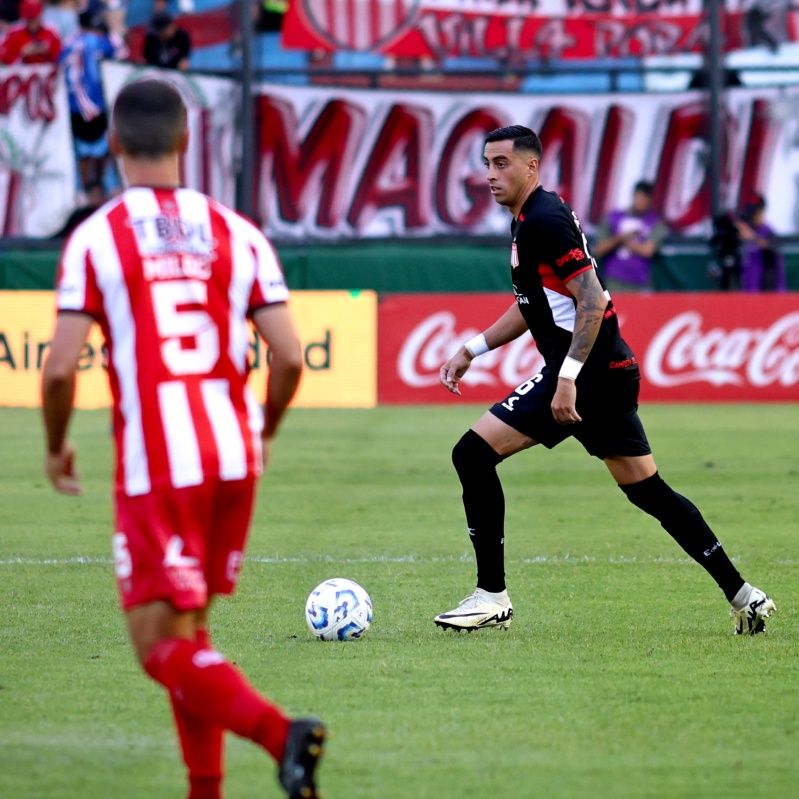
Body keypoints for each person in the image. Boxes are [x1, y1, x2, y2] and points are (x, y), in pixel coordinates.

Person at [41, 79, 326, 799]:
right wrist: (263, 429)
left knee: (156, 647)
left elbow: (59, 367)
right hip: (233, 456)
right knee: (189, 638)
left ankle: (280, 733)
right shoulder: (238, 231)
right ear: (186, 140)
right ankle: (206, 790)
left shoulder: (98, 236)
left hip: (160, 465)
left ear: (112, 143)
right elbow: (290, 357)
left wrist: (55, 445)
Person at [435, 125, 776, 637]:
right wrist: (472, 349)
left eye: (501, 163)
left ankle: (491, 596)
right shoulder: (532, 217)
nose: (490, 174)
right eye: (487, 163)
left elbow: (592, 298)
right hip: (608, 373)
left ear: (531, 166)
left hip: (588, 375)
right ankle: (744, 595)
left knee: (472, 454)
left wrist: (566, 378)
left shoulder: (544, 220)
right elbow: (534, 303)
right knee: (649, 492)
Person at [59, 9, 126, 194]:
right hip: (98, 102)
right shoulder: (101, 41)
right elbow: (121, 53)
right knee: (103, 148)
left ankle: (87, 188)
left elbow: (58, 63)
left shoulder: (68, 42)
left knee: (82, 149)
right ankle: (99, 185)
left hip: (73, 104)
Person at [592, 180, 666, 293]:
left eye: (644, 199)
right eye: (639, 198)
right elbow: (599, 249)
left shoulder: (655, 223)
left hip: (640, 282)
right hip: (614, 281)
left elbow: (647, 250)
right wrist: (621, 238)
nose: (640, 202)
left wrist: (626, 241)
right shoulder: (613, 217)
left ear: (650, 200)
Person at [736, 195, 787, 292]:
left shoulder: (768, 231)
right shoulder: (747, 231)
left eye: (755, 212)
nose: (752, 215)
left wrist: (753, 237)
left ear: (761, 212)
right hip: (749, 292)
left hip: (768, 292)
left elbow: (772, 245)